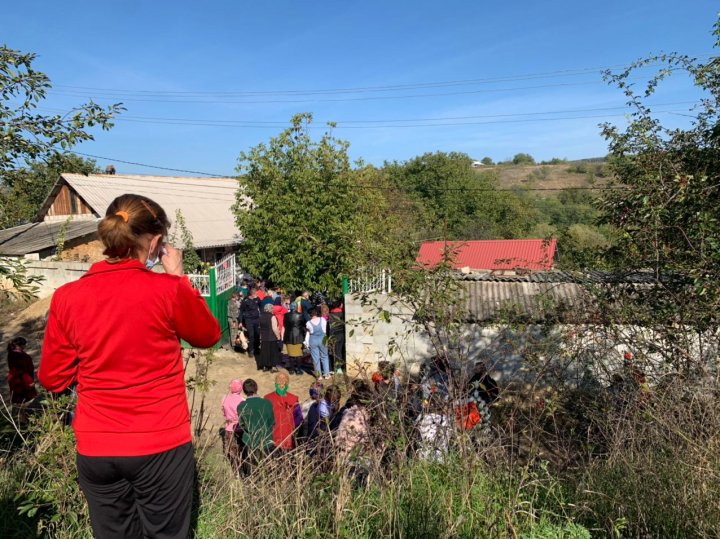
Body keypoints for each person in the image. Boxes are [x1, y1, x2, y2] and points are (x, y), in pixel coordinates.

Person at [39, 193, 221, 539]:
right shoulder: (167, 290)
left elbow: (52, 378)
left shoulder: (66, 297)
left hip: (96, 446)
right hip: (160, 443)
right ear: (154, 242)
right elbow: (208, 335)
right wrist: (178, 276)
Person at [236, 379, 275, 475]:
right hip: (266, 440)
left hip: (249, 441)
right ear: (256, 388)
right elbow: (272, 422)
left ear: (244, 391)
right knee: (267, 471)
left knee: (251, 471)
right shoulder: (267, 403)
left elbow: (242, 425)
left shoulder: (241, 406)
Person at [264, 371, 303, 450]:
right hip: (283, 438)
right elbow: (298, 420)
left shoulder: (268, 398)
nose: (281, 383)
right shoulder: (293, 399)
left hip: (277, 438)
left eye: (283, 381)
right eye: (280, 381)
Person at [221, 379, 245, 473]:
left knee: (231, 452)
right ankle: (242, 471)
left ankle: (235, 471)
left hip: (229, 428)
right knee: (241, 450)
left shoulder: (224, 398)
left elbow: (223, 412)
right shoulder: (243, 400)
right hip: (240, 428)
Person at [7, 336, 38, 406]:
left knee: (19, 401)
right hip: (21, 380)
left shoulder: (11, 353)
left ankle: (21, 414)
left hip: (15, 379)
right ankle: (24, 415)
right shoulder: (19, 355)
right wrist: (29, 381)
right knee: (23, 400)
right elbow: (22, 370)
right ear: (21, 345)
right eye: (24, 345)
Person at [307, 307, 330, 379]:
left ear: (310, 315)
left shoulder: (308, 323)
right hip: (323, 338)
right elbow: (325, 329)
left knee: (315, 358)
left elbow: (309, 331)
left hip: (313, 339)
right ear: (316, 313)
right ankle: (326, 374)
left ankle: (318, 375)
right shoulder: (323, 319)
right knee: (325, 356)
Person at [284, 303, 306, 375]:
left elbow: (285, 324)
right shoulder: (300, 315)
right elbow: (304, 325)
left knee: (291, 354)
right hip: (298, 336)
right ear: (296, 307)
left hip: (289, 336)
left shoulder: (286, 315)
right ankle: (298, 370)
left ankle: (292, 369)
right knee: (298, 355)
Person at [258, 303, 281, 372]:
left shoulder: (261, 316)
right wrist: (278, 336)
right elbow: (274, 328)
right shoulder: (272, 317)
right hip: (271, 337)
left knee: (265, 352)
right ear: (271, 309)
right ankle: (273, 367)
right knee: (273, 352)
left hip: (264, 337)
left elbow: (260, 327)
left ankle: (265, 366)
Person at [239, 287, 261, 359]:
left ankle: (257, 348)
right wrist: (240, 322)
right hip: (249, 320)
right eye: (256, 294)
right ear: (252, 295)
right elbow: (241, 311)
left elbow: (261, 307)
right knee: (251, 335)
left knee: (257, 335)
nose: (257, 295)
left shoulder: (257, 299)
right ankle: (251, 350)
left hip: (256, 319)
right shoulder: (245, 301)